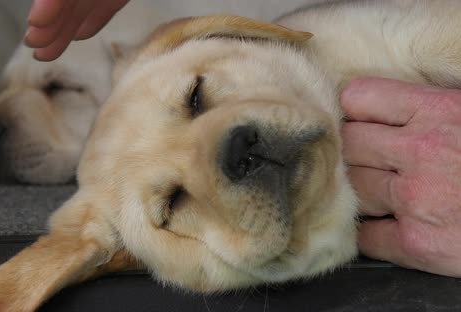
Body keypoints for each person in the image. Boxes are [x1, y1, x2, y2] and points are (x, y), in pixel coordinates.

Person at [25, 0, 461, 278]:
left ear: (223, 32)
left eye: (197, 99)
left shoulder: (344, 48)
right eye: (172, 203)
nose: (229, 153)